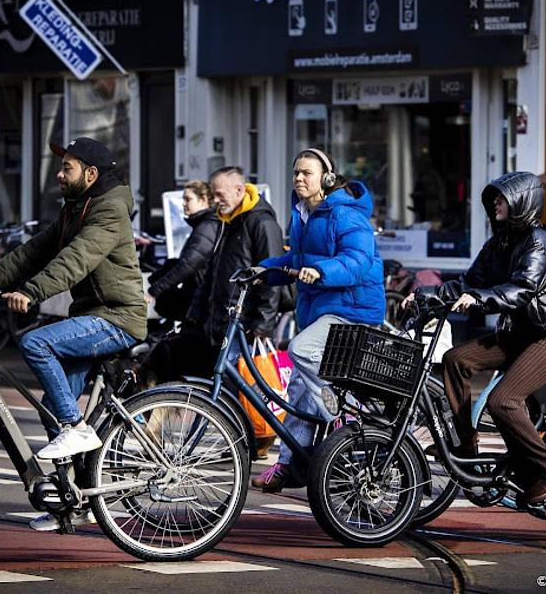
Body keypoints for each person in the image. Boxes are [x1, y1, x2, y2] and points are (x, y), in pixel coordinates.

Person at [0, 137, 146, 530]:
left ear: (90, 174)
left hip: (117, 318)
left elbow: (75, 260)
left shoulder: (109, 211)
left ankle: (77, 430)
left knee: (35, 341)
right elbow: (31, 253)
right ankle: (70, 502)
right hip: (91, 315)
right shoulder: (76, 209)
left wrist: (31, 292)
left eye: (68, 168)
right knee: (52, 408)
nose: (60, 175)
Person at [410, 171, 546, 505]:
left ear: (522, 202)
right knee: (456, 360)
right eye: (495, 199)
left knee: (502, 400)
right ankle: (465, 443)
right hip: (520, 334)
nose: (496, 204)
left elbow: (522, 289)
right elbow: (467, 281)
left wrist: (481, 298)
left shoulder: (537, 242)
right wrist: (424, 295)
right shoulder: (499, 242)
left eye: (502, 198)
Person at [251, 148, 385, 492]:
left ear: (325, 179)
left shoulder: (345, 214)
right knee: (297, 389)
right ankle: (288, 464)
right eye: (295, 172)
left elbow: (357, 260)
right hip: (321, 312)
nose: (298, 178)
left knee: (300, 348)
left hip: (352, 310)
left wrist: (321, 270)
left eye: (306, 173)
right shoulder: (303, 214)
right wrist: (263, 270)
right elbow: (296, 258)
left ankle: (344, 416)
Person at [142, 166, 284, 385]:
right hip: (220, 323)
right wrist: (195, 315)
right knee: (215, 386)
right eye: (213, 194)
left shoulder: (262, 223)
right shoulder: (227, 222)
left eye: (220, 194)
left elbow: (271, 278)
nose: (216, 200)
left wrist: (262, 326)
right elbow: (211, 275)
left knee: (232, 388)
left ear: (238, 190)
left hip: (244, 325)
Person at [144, 180, 219, 325]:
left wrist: (155, 290)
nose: (184, 203)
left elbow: (188, 265)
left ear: (203, 200)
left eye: (188, 199)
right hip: (200, 296)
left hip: (201, 299)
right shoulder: (204, 224)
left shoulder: (207, 227)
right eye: (183, 199)